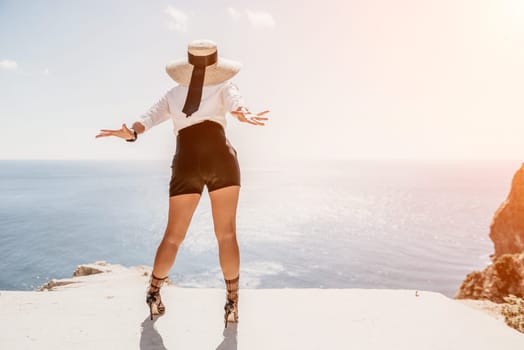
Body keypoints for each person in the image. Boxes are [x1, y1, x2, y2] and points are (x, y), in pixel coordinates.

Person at [95, 39, 269, 327]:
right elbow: (236, 105)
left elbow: (146, 119)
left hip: (186, 160)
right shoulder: (225, 86)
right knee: (226, 235)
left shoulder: (173, 94)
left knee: (173, 236)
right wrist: (242, 113)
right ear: (215, 65)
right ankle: (232, 303)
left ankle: (153, 294)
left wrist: (132, 133)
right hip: (220, 158)